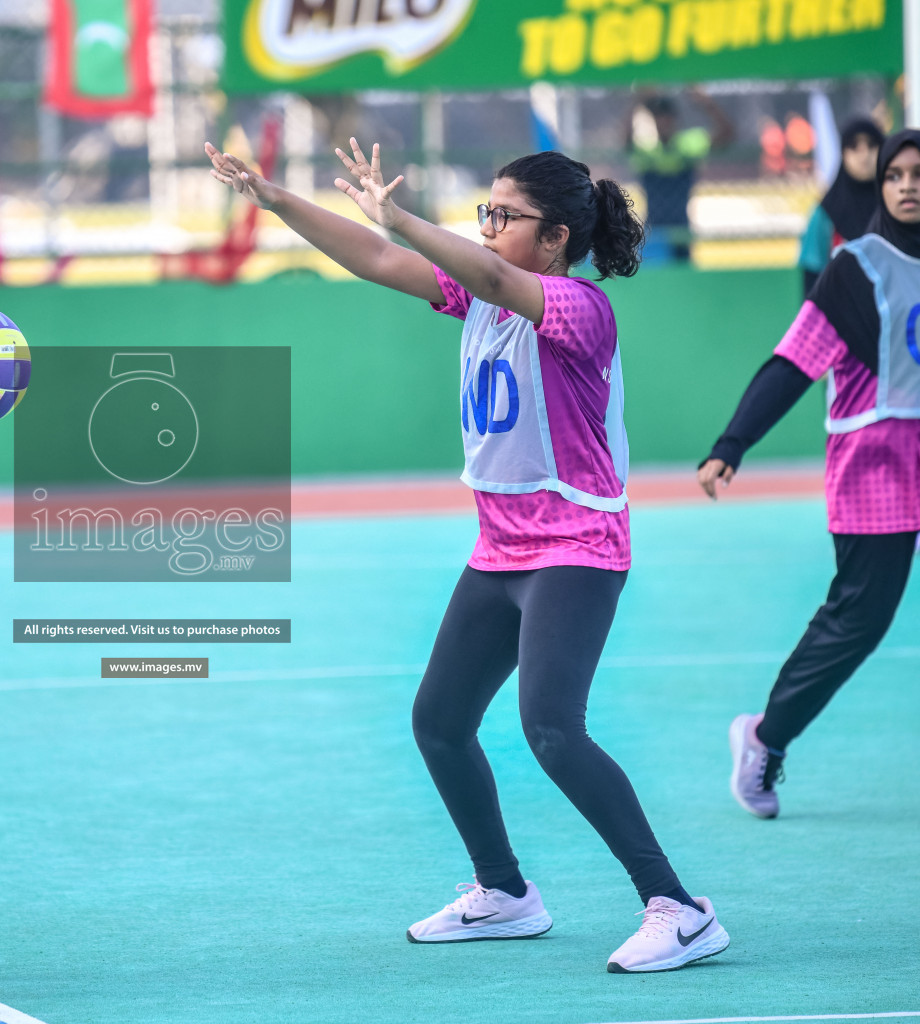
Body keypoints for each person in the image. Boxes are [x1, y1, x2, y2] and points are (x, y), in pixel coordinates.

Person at [205, 138, 729, 973]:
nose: (485, 227)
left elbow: (476, 270)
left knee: (551, 728)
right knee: (439, 722)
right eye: (483, 211)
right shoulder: (481, 298)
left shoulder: (578, 308)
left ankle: (678, 906)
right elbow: (377, 258)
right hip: (501, 546)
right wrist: (274, 198)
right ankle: (506, 895)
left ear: (555, 239)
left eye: (502, 216)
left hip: (575, 546)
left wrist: (404, 215)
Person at [699, 130, 920, 821]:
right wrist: (734, 442)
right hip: (874, 465)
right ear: (879, 187)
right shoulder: (858, 268)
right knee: (860, 619)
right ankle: (765, 739)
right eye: (896, 175)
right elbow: (794, 363)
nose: (909, 185)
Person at [628, 89, 735, 264]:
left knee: (683, 274)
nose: (663, 122)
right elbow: (625, 141)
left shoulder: (688, 143)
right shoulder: (647, 149)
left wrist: (707, 104)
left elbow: (726, 135)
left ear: (674, 119)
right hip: (654, 228)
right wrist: (636, 102)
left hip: (681, 226)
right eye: (658, 117)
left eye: (666, 117)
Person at [798, 118, 884, 295]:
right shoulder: (826, 213)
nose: (864, 155)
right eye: (854, 147)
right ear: (843, 153)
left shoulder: (897, 207)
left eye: (871, 145)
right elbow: (812, 272)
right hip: (840, 314)